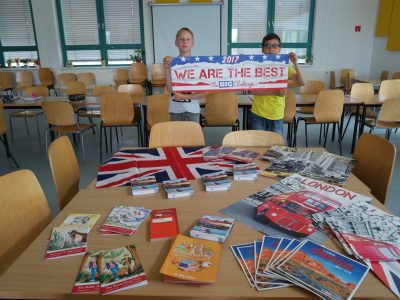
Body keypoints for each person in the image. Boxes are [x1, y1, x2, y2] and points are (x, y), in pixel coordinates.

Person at [250, 33, 305, 135]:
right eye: (267, 46)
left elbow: (301, 82)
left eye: (275, 46)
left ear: (279, 49)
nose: (271, 49)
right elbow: (252, 90)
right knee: (258, 145)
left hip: (277, 114)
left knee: (275, 147)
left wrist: (295, 63)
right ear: (262, 49)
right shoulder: (257, 66)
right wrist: (275, 92)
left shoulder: (284, 66)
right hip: (258, 113)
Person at [163, 27, 207, 122]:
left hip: (193, 111)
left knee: (192, 137)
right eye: (181, 39)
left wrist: (185, 97)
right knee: (176, 137)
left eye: (188, 39)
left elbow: (204, 93)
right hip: (175, 111)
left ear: (193, 43)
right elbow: (170, 89)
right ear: (176, 43)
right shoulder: (171, 63)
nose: (185, 42)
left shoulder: (198, 65)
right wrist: (166, 69)